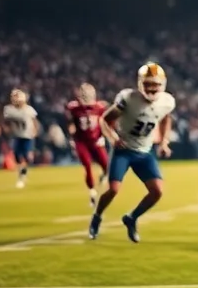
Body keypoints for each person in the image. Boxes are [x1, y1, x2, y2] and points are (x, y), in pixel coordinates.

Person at [89, 64, 176, 243]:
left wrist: (164, 141)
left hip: (145, 151)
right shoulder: (128, 98)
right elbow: (105, 119)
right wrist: (112, 138)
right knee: (113, 190)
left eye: (156, 84)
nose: (152, 88)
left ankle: (131, 218)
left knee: (157, 191)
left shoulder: (167, 101)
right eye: (148, 84)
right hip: (124, 150)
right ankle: (97, 216)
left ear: (163, 84)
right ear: (140, 84)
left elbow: (166, 117)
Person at [66, 83, 111, 207]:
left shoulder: (100, 107)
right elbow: (71, 123)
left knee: (107, 166)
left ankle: (102, 177)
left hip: (96, 141)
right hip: (81, 141)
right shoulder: (74, 108)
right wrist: (71, 135)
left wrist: (104, 136)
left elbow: (103, 123)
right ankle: (92, 192)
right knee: (87, 165)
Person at [2, 89, 40, 189]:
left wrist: (35, 130)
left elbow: (34, 120)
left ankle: (23, 174)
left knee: (27, 157)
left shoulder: (29, 109)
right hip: (16, 136)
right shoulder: (9, 109)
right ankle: (21, 174)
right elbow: (5, 121)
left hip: (28, 135)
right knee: (17, 157)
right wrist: (6, 129)